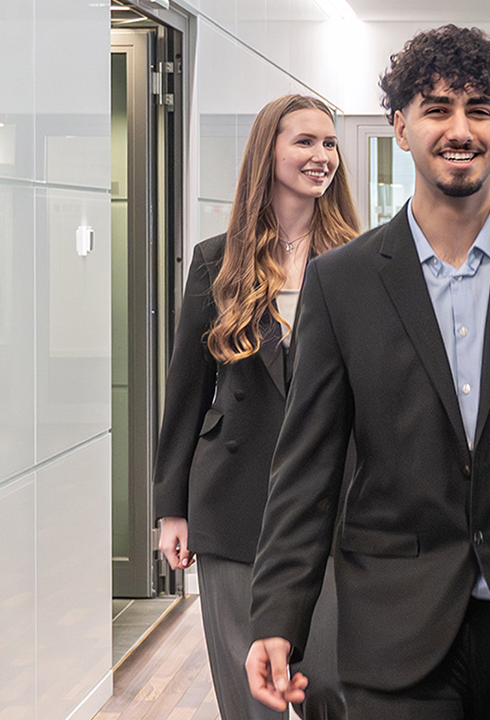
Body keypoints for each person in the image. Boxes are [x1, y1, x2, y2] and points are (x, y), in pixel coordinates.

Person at [243, 25, 490, 720]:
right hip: (393, 625)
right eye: (437, 109)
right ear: (401, 128)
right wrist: (278, 615)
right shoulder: (341, 283)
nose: (459, 129)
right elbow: (306, 469)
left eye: (479, 110)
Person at [153, 94, 359, 720]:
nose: (322, 156)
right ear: (268, 151)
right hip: (234, 500)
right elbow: (186, 391)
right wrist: (171, 509)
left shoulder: (360, 259)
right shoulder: (216, 260)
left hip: (335, 501)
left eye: (329, 143)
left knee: (333, 688)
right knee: (250, 703)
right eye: (305, 142)